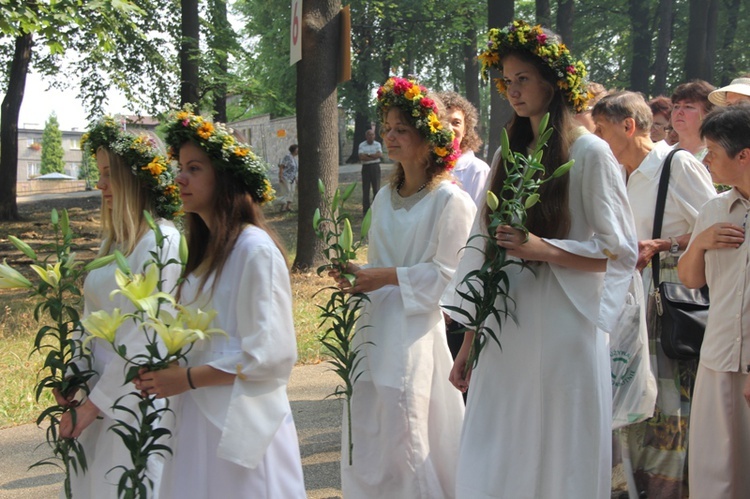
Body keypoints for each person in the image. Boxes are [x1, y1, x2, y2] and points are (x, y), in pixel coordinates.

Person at [446, 20, 637, 498]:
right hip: (507, 326)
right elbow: (483, 251)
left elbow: (618, 252)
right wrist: (470, 343)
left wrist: (543, 249)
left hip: (562, 325)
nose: (512, 90)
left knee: (556, 442)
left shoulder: (590, 153)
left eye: (523, 78)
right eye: (507, 80)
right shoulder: (506, 154)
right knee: (501, 440)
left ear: (554, 83)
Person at [135, 108, 306, 498]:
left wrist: (188, 378)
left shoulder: (254, 250)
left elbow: (271, 354)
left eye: (194, 168)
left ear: (225, 178)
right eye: (180, 167)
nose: (179, 177)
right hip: (198, 416)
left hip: (241, 421)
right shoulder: (202, 253)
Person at [331, 76, 475, 498]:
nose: (389, 137)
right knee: (370, 424)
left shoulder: (451, 201)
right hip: (373, 327)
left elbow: (452, 277)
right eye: (387, 128)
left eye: (401, 130)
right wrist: (358, 277)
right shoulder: (383, 198)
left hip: (414, 332)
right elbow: (377, 264)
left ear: (428, 139)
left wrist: (387, 276)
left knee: (408, 427)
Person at [592, 91, 716, 498]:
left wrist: (663, 244)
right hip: (628, 310)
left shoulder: (675, 165)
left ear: (629, 126)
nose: (596, 139)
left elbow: (717, 228)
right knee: (632, 412)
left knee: (667, 415)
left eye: (602, 130)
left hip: (668, 308)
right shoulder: (617, 173)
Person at [59, 117, 182, 498]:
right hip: (97, 392)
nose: (100, 185)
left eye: (109, 174)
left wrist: (94, 406)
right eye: (99, 174)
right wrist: (74, 373)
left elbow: (144, 335)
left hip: (134, 402)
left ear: (135, 178)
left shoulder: (163, 242)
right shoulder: (114, 244)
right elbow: (88, 315)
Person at [678, 104, 750, 499]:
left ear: (744, 156)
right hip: (719, 356)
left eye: (713, 153)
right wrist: (701, 242)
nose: (705, 161)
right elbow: (690, 279)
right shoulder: (714, 209)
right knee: (714, 471)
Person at [437, 91, 491, 207]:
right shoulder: (426, 166)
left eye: (456, 123)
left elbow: (477, 219)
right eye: (443, 122)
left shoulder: (477, 170)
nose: (449, 129)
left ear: (465, 130)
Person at [671, 80, 715, 160]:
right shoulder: (662, 155)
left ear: (707, 114)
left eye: (688, 107)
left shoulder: (715, 157)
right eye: (676, 106)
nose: (679, 112)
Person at [357, 128, 383, 214]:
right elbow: (361, 157)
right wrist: (373, 156)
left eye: (372, 135)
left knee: (376, 189)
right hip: (366, 168)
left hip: (375, 167)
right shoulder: (362, 145)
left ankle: (376, 209)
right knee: (366, 189)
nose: (371, 136)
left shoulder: (378, 144)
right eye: (369, 135)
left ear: (374, 136)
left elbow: (379, 155)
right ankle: (366, 211)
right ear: (366, 136)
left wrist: (367, 155)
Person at [277, 144, 298, 212]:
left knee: (292, 192)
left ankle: (288, 207)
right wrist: (280, 176)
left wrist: (295, 179)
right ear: (294, 150)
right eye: (297, 149)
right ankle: (281, 206)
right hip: (285, 177)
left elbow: (293, 170)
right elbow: (282, 166)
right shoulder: (287, 157)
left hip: (292, 178)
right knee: (287, 192)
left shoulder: (294, 158)